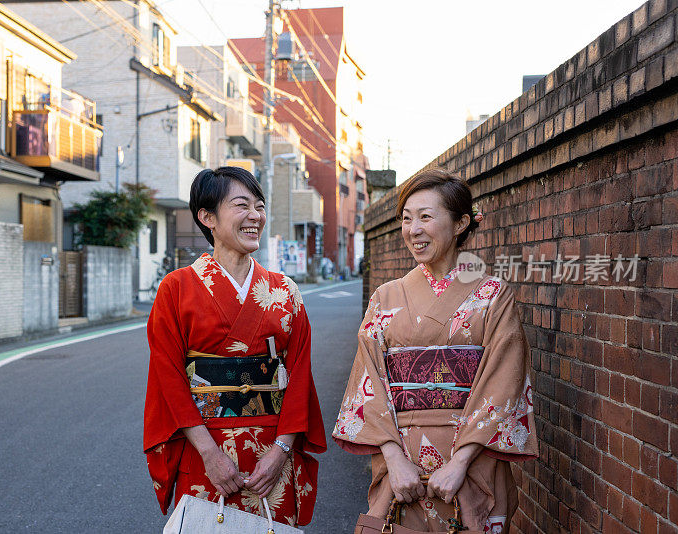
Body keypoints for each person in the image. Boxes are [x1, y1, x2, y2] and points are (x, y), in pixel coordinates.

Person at [332, 169, 537, 533]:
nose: (413, 229)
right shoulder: (386, 297)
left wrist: (459, 462)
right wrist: (394, 460)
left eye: (426, 216)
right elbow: (368, 383)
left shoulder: (492, 295)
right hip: (402, 464)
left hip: (472, 463)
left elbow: (504, 382)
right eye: (406, 219)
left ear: (460, 223)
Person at [143, 166, 327, 528]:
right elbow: (170, 379)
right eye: (241, 205)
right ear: (207, 217)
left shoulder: (284, 291)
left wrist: (281, 452)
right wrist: (210, 455)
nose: (255, 216)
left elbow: (300, 375)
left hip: (272, 451)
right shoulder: (176, 289)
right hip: (204, 449)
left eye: (259, 206)